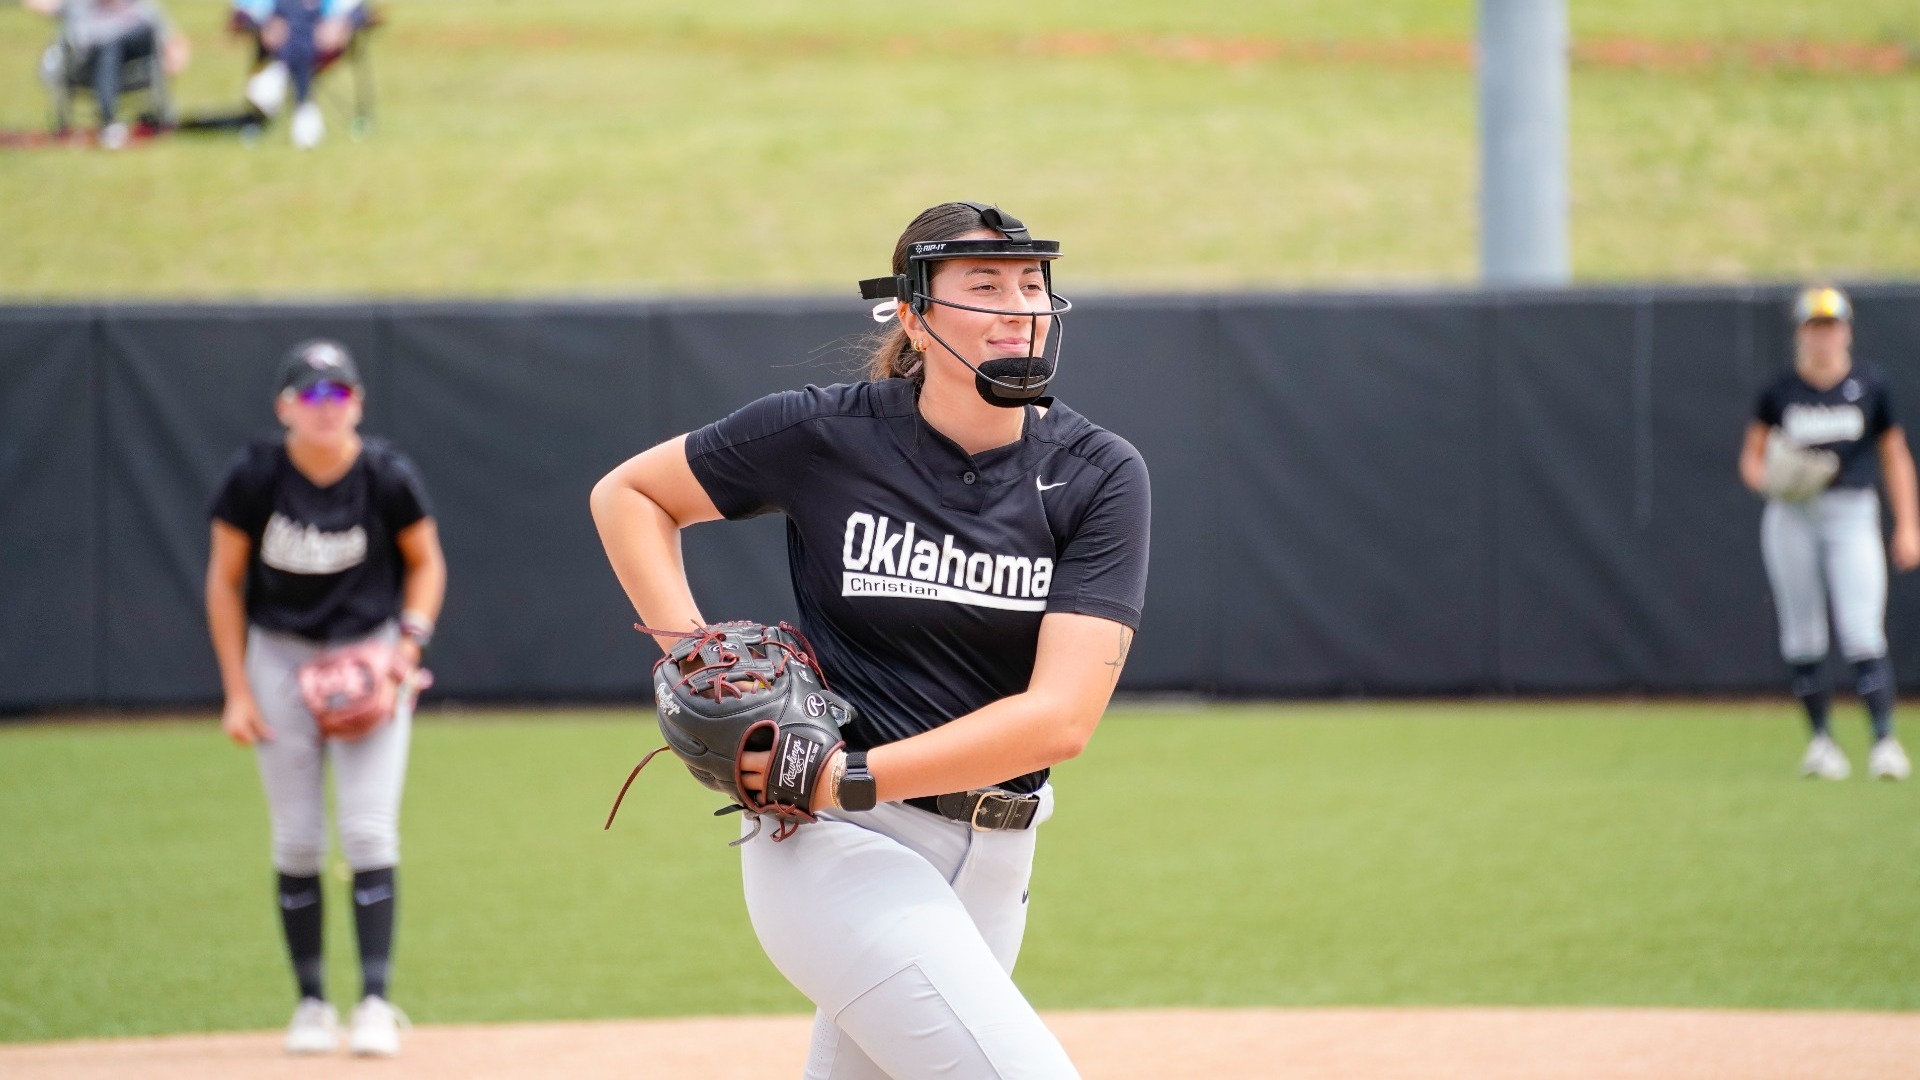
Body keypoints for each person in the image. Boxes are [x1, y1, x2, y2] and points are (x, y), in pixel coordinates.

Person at [591, 201, 1149, 1078]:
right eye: (986, 285)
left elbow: (1059, 720)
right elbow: (630, 495)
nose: (1019, 306)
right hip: (836, 845)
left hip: (992, 850)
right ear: (915, 315)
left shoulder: (1097, 473)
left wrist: (846, 775)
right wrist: (688, 650)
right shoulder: (829, 432)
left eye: (1033, 284)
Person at [205, 339, 446, 1055]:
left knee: (370, 830)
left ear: (358, 404)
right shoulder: (254, 477)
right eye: (309, 395)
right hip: (279, 655)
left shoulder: (383, 473)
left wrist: (406, 648)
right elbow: (223, 583)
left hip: (368, 654)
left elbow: (427, 561)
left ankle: (374, 1002)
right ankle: (311, 1004)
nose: (324, 407)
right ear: (284, 406)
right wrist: (236, 690)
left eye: (337, 393)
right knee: (298, 837)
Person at [1739, 286, 1917, 781]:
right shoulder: (1781, 391)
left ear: (1846, 331)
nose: (1824, 337)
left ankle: (1884, 742)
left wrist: (1908, 525)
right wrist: (1771, 479)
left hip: (1850, 510)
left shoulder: (1870, 385)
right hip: (1793, 513)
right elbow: (1752, 457)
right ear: (1802, 334)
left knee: (1862, 628)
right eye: (1815, 328)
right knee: (1803, 631)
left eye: (1831, 327)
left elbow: (1895, 455)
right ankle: (1821, 742)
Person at [26, 0, 189, 148]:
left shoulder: (142, 7)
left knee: (120, 42)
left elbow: (173, 39)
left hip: (132, 60)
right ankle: (108, 120)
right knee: (108, 48)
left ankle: (110, 122)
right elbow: (42, 6)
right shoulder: (79, 5)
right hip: (89, 64)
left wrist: (173, 60)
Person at [231, 0, 369, 148]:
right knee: (296, 36)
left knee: (301, 37)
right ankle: (303, 107)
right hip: (282, 37)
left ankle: (278, 77)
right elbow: (246, 10)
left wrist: (341, 25)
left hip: (319, 39)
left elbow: (356, 9)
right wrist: (264, 25)